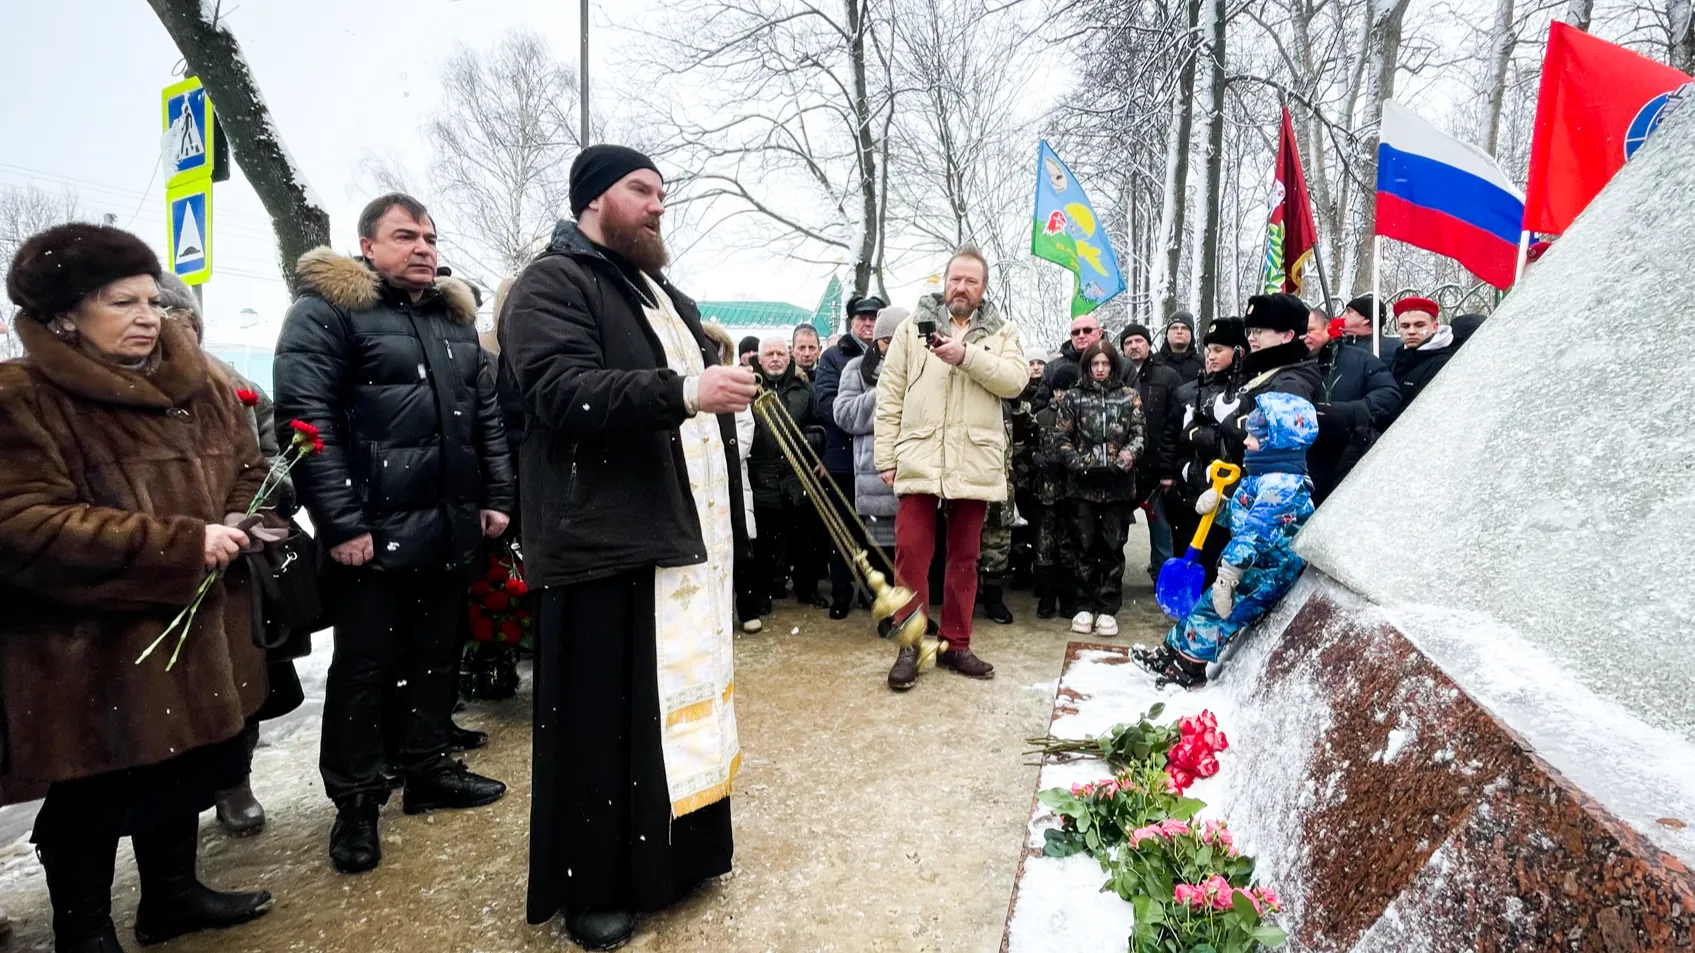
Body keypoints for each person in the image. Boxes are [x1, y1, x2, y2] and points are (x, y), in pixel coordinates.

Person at [500, 145, 753, 950]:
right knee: (600, 725)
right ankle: (594, 885)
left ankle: (675, 857)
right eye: (639, 190)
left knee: (660, 710)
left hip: (665, 538)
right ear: (591, 200)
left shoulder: (656, 291)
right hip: (598, 542)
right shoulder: (552, 282)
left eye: (661, 193)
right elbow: (557, 389)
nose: (656, 205)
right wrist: (684, 391)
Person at [0, 224, 276, 952]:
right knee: (94, 788)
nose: (148, 316)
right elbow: (21, 522)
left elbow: (251, 465)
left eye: (151, 300)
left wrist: (238, 518)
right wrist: (182, 544)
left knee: (185, 759)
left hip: (197, 622)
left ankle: (173, 897)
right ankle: (83, 930)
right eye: (122, 302)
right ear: (64, 314)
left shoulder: (204, 380)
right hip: (88, 642)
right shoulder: (21, 395)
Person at [273, 193, 515, 876]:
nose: (423, 249)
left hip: (445, 526)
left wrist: (496, 498)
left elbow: (485, 418)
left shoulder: (451, 320)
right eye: (405, 236)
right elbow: (302, 421)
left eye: (431, 238)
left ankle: (428, 765)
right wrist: (341, 522)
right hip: (371, 536)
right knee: (364, 669)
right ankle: (356, 801)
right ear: (367, 245)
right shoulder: (327, 312)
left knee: (437, 655)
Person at [875, 246, 1027, 690]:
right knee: (911, 553)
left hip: (974, 459)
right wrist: (887, 456)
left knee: (965, 558)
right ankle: (911, 644)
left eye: (971, 281)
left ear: (982, 288)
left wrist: (966, 356)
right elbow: (891, 395)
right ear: (944, 282)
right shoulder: (910, 328)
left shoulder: (1002, 332)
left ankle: (957, 644)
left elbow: (1015, 381)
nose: (961, 287)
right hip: (920, 456)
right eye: (955, 279)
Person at [1136, 392, 1319, 687]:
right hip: (1252, 566)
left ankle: (1187, 669)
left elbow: (1255, 534)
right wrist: (1220, 507)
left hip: (1267, 573)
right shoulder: (1264, 476)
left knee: (1217, 614)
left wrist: (1230, 574)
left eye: (1255, 437)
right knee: (1204, 605)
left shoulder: (1282, 487)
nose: (1246, 442)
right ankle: (1171, 651)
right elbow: (1243, 517)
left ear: (1278, 443)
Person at [1053, 341, 1147, 638]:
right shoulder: (1073, 398)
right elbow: (1061, 437)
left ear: (1114, 365)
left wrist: (1124, 461)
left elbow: (1140, 435)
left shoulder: (1129, 397)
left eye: (1106, 364)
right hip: (1082, 485)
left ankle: (1107, 608)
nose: (1101, 369)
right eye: (1095, 364)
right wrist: (1079, 464)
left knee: (1113, 547)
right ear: (1087, 366)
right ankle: (1083, 604)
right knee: (1083, 546)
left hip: (1118, 486)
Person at [814, 293, 887, 619]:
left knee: (876, 533)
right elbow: (826, 404)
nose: (868, 323)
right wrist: (864, 421)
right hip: (843, 458)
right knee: (842, 531)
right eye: (862, 318)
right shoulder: (834, 356)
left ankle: (877, 594)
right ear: (852, 322)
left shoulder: (893, 355)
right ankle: (842, 593)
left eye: (874, 318)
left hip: (877, 462)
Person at [834, 306, 906, 636]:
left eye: (899, 338)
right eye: (885, 340)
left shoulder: (921, 369)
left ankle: (910, 612)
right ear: (876, 342)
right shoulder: (854, 369)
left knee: (914, 551)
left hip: (913, 472)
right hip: (874, 476)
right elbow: (844, 415)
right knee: (882, 551)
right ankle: (889, 614)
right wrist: (883, 394)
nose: (891, 346)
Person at [1167, 317, 1247, 588]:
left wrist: (1217, 436)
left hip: (1231, 496)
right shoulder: (1189, 391)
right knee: (1191, 558)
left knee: (1224, 565)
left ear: (1238, 352)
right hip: (1194, 494)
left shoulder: (1249, 391)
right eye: (1208, 350)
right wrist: (1183, 471)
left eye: (1218, 351)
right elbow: (1174, 438)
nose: (1210, 357)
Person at [749, 337, 823, 607]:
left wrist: (817, 444)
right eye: (770, 353)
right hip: (763, 477)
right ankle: (767, 590)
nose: (776, 358)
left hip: (797, 478)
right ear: (760, 359)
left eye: (781, 353)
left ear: (789, 357)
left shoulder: (804, 390)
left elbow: (818, 423)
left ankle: (807, 588)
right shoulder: (749, 392)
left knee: (806, 539)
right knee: (765, 543)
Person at [1301, 307, 1401, 504]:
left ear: (1327, 328)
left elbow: (1389, 395)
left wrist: (1348, 413)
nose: (1304, 337)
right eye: (1300, 331)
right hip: (1304, 461)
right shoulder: (1293, 364)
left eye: (1310, 330)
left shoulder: (1360, 359)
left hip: (1346, 457)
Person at [703, 322, 763, 633]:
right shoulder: (692, 388)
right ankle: (718, 612)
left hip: (732, 477)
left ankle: (748, 607)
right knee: (710, 547)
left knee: (739, 543)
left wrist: (718, 456)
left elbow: (745, 430)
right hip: (699, 480)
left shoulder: (732, 385)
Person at [1218, 293, 1322, 461]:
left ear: (1287, 336)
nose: (1251, 338)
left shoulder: (1292, 382)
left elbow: (1278, 439)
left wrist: (1229, 422)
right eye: (1250, 331)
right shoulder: (1261, 370)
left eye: (1259, 331)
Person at [1118, 323, 1183, 583]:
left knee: (1161, 528)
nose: (1134, 346)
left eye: (1139, 341)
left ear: (1148, 344)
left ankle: (1163, 577)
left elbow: (1174, 425)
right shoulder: (1116, 376)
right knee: (1116, 528)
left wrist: (1167, 468)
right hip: (1122, 470)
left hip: (1155, 469)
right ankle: (1111, 579)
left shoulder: (1167, 377)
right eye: (1128, 342)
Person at [1031, 361, 1081, 618]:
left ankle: (1069, 599)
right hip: (1045, 494)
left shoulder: (1079, 417)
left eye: (1066, 390)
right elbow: (1025, 444)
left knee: (1068, 547)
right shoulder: (1041, 417)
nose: (1061, 395)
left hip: (1071, 493)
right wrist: (1034, 456)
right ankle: (1047, 599)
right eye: (1058, 390)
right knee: (1044, 548)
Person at [1389, 296, 1456, 408]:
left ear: (1435, 327)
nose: (1411, 331)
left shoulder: (1444, 362)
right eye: (1405, 326)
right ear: (1398, 328)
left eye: (1419, 325)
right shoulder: (1398, 356)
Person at [1038, 314, 1104, 402]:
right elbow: (1040, 407)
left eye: (1087, 330)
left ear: (1100, 333)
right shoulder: (1052, 368)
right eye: (1076, 332)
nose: (1081, 336)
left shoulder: (1119, 365)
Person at [1338, 294, 1401, 359]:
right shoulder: (1336, 346)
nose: (1342, 317)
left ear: (1366, 319)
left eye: (1349, 312)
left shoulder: (1395, 349)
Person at [1154, 311, 1204, 381]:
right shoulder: (1154, 362)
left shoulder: (1202, 363)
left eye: (1184, 328)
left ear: (1191, 334)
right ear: (1167, 334)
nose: (1179, 331)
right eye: (1174, 328)